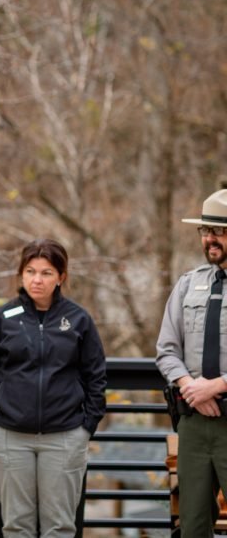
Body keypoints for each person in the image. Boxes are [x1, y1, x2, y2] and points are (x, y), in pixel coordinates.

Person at [0, 238, 107, 537]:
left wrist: (86, 427)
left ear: (61, 277)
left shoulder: (79, 319)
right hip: (8, 436)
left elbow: (96, 376)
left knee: (59, 526)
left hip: (65, 436)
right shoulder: (4, 318)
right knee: (17, 525)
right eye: (30, 271)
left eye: (46, 273)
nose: (37, 280)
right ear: (21, 275)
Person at [156, 188, 227, 537]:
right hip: (194, 424)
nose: (210, 239)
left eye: (220, 231)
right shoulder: (189, 284)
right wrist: (190, 387)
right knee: (194, 524)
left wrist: (218, 385)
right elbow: (166, 350)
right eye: (205, 230)